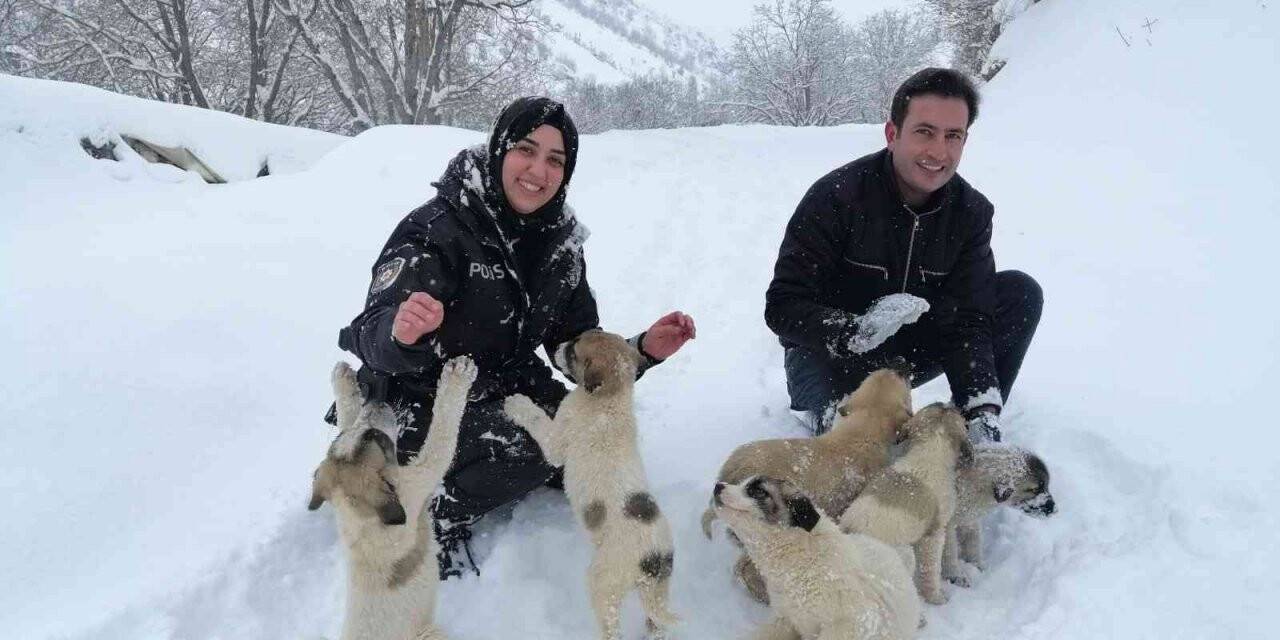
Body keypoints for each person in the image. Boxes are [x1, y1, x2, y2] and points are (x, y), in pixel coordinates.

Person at [333, 97, 696, 579]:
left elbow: (573, 343)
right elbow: (369, 331)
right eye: (527, 150)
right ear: (499, 150)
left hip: (505, 386)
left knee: (583, 442)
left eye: (555, 160)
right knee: (529, 453)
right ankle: (429, 511)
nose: (538, 170)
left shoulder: (560, 243)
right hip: (419, 394)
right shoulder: (438, 229)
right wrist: (403, 334)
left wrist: (640, 352)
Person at [764, 68, 1042, 442]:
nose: (938, 152)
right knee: (855, 450)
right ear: (892, 134)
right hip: (831, 357)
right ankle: (828, 413)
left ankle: (972, 430)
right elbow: (782, 305)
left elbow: (970, 319)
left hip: (909, 354)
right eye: (924, 132)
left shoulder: (971, 213)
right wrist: (854, 331)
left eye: (952, 136)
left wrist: (979, 408)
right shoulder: (835, 198)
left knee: (1018, 293)